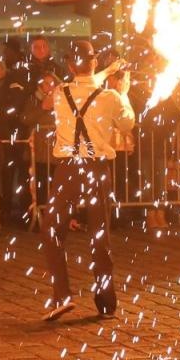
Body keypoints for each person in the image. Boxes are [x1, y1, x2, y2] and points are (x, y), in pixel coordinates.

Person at [42, 40, 134, 322]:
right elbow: (127, 123)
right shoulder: (111, 97)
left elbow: (83, 82)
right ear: (94, 62)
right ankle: (106, 304)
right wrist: (124, 92)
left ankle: (62, 295)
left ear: (70, 66)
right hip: (96, 169)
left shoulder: (60, 93)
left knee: (52, 230)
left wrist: (108, 72)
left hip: (67, 170)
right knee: (99, 235)